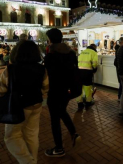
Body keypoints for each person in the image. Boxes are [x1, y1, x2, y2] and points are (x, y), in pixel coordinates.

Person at [0, 40, 49, 164]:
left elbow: (1, 89)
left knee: (12, 136)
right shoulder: (42, 69)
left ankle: (28, 161)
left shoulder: (11, 69)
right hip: (36, 104)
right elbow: (46, 87)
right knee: (31, 135)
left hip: (17, 106)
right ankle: (33, 159)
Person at [44, 28, 81, 157]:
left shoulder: (51, 56)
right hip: (67, 91)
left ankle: (59, 148)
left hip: (54, 91)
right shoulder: (70, 53)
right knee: (62, 112)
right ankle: (73, 132)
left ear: (51, 40)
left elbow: (48, 74)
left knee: (55, 120)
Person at [76, 44, 98, 110]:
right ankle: (88, 102)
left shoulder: (83, 52)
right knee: (87, 87)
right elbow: (95, 63)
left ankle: (80, 103)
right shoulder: (93, 52)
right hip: (87, 72)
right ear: (94, 48)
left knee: (79, 87)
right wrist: (94, 69)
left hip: (79, 71)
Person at [113, 37, 123, 102]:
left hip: (119, 69)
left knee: (121, 83)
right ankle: (120, 97)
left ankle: (120, 96)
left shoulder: (118, 49)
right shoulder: (120, 50)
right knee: (121, 83)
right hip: (120, 70)